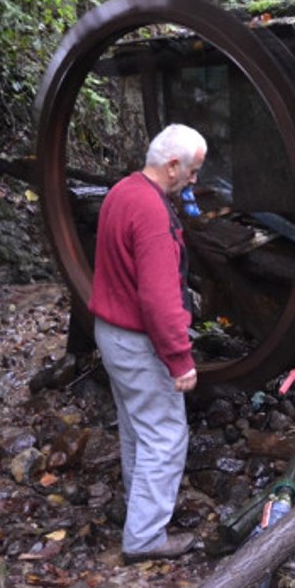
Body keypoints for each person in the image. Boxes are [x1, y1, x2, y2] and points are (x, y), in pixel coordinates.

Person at [90, 122, 206, 563]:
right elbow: (158, 298)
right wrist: (180, 360)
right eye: (193, 171)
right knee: (166, 434)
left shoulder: (122, 191)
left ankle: (139, 512)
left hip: (111, 332)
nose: (194, 181)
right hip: (139, 341)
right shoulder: (153, 213)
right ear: (172, 165)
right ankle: (144, 537)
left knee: (137, 426)